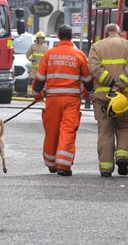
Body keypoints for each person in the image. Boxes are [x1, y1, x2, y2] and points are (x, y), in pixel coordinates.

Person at [32, 24, 94, 176]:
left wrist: (36, 94)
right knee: (67, 130)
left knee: (51, 131)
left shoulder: (49, 54)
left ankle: (51, 163)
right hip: (71, 100)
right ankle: (63, 165)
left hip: (52, 99)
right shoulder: (79, 55)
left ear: (58, 37)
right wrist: (88, 91)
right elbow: (88, 80)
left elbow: (39, 78)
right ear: (72, 37)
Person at [88, 23, 128, 177]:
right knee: (125, 128)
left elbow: (93, 67)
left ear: (105, 33)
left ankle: (105, 168)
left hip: (104, 98)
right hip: (125, 97)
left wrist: (110, 82)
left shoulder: (96, 47)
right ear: (119, 33)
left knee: (105, 131)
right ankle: (123, 157)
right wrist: (120, 83)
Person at [26, 31, 48, 95]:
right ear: (37, 39)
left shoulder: (45, 47)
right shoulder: (33, 46)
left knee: (40, 81)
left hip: (41, 68)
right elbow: (28, 54)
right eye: (39, 38)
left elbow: (46, 57)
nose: (41, 39)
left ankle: (39, 93)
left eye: (42, 38)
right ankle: (30, 93)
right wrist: (31, 59)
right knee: (31, 80)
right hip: (33, 67)